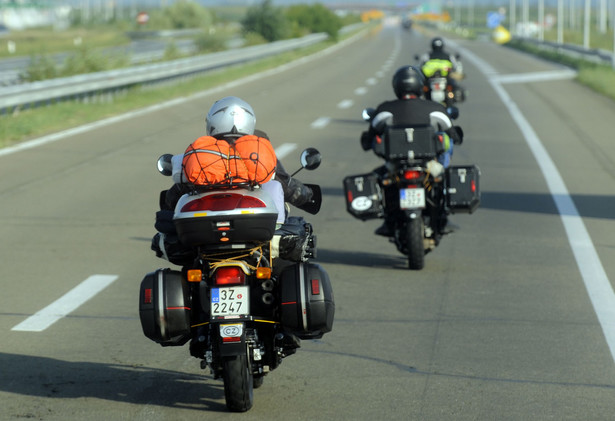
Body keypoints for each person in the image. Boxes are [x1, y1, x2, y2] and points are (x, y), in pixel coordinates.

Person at [153, 96, 314, 263]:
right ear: (250, 121)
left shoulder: (201, 153)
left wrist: (168, 206)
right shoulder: (259, 152)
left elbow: (175, 194)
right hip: (254, 229)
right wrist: (306, 195)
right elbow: (285, 185)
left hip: (206, 233)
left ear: (211, 123)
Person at [361, 65, 463, 237]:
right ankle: (443, 219)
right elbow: (454, 135)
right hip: (429, 165)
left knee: (382, 182)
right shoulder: (435, 109)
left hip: (395, 166)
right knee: (443, 178)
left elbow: (368, 139)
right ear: (420, 85)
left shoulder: (385, 109)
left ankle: (388, 221)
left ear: (396, 86)